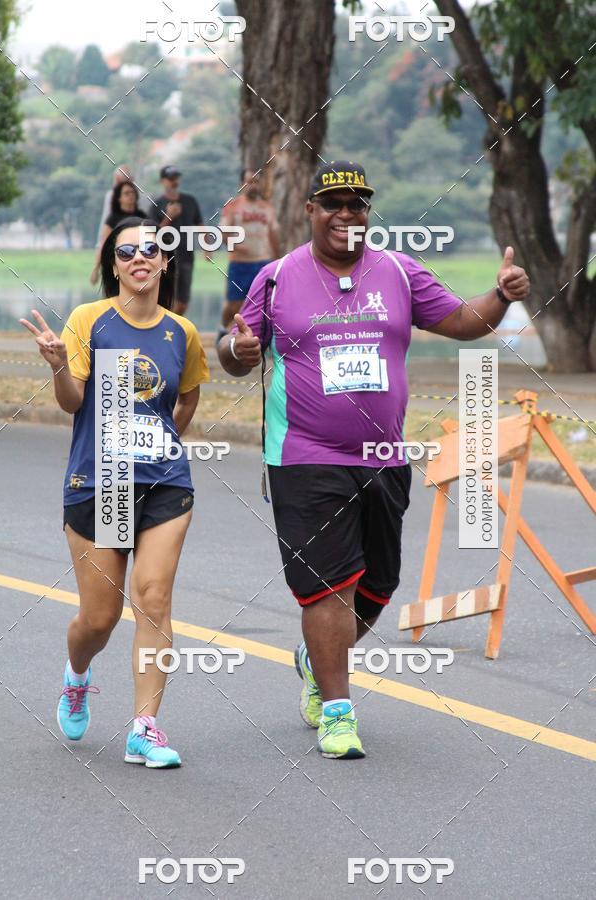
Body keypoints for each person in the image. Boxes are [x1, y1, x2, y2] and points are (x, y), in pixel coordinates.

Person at [218, 160, 530, 760]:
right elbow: (233, 349)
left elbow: (464, 322)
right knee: (326, 587)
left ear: (368, 212)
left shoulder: (398, 271)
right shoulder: (278, 278)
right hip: (304, 456)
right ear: (309, 210)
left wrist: (502, 296)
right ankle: (337, 708)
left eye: (357, 203)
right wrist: (238, 347)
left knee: (378, 583)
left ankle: (317, 657)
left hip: (383, 457)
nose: (345, 214)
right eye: (333, 203)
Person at [21, 216, 210, 768]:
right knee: (99, 619)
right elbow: (73, 403)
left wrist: (160, 441)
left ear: (165, 261)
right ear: (113, 266)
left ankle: (144, 728)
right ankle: (77, 675)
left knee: (153, 600)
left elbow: (189, 399)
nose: (139, 259)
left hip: (165, 483)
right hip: (102, 483)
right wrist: (60, 367)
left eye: (150, 249)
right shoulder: (90, 320)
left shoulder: (182, 331)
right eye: (126, 252)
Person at [216, 168, 280, 344]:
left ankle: (262, 339)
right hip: (240, 263)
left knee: (265, 303)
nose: (253, 185)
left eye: (256, 181)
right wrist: (236, 246)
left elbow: (273, 235)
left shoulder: (267, 208)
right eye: (249, 181)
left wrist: (277, 259)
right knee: (235, 304)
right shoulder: (232, 207)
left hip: (264, 263)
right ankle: (223, 329)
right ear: (241, 184)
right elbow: (222, 234)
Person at [148, 165, 204, 316]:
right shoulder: (156, 204)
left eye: (176, 178)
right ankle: (164, 332)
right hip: (165, 257)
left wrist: (207, 247)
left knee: (183, 301)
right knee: (166, 298)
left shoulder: (190, 201)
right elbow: (152, 234)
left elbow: (200, 224)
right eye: (171, 179)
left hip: (186, 256)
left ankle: (171, 328)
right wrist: (168, 216)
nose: (174, 182)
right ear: (163, 181)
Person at [90, 180, 146, 284]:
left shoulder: (142, 216)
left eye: (132, 192)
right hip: (117, 263)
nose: (130, 195)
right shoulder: (113, 218)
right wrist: (96, 269)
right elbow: (103, 244)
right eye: (126, 193)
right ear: (119, 198)